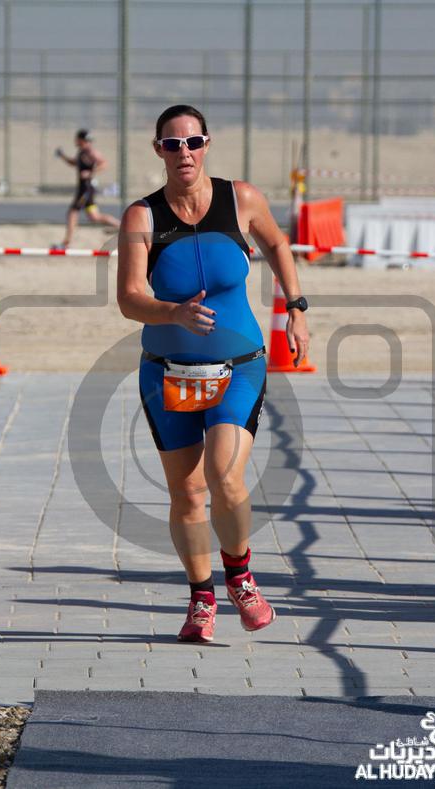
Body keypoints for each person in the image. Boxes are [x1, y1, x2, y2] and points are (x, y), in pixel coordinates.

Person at [117, 105, 310, 643]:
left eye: (193, 142)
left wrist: (296, 306)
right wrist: (172, 312)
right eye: (172, 144)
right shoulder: (142, 217)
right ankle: (201, 598)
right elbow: (129, 298)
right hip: (169, 373)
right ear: (158, 150)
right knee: (187, 493)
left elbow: (276, 242)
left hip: (238, 366)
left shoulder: (240, 198)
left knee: (224, 476)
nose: (184, 152)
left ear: (207, 145)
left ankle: (241, 577)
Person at [54, 129, 120, 248]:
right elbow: (74, 163)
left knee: (73, 212)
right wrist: (62, 156)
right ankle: (120, 226)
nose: (86, 143)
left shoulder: (91, 152)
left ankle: (66, 243)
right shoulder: (81, 152)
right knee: (94, 216)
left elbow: (104, 163)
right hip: (84, 189)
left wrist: (90, 173)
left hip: (86, 189)